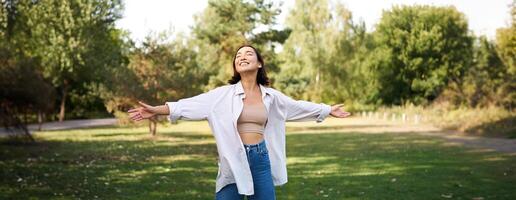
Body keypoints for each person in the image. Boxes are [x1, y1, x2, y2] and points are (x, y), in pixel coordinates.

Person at [128, 44, 351, 200]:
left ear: (260, 63)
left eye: (248, 54)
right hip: (232, 159)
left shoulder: (271, 96)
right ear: (235, 66)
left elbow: (298, 106)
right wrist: (155, 110)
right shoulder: (221, 95)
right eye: (238, 56)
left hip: (261, 159)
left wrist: (327, 109)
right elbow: (188, 105)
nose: (242, 57)